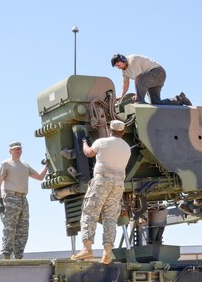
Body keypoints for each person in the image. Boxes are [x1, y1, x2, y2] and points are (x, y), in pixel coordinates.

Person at [71, 120, 131, 264]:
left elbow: (88, 153)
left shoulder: (102, 142)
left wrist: (84, 142)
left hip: (102, 181)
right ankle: (107, 252)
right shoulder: (127, 148)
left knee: (89, 212)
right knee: (110, 218)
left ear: (110, 130)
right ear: (122, 132)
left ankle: (87, 249)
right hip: (118, 184)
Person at [0, 141, 48, 259]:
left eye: (19, 149)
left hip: (23, 199)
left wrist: (47, 166)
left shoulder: (25, 165)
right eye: (15, 149)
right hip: (11, 198)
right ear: (10, 151)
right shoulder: (5, 164)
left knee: (23, 229)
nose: (18, 151)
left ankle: (18, 255)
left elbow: (39, 177)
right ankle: (6, 254)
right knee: (10, 227)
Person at [111, 53, 192, 106]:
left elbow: (138, 78)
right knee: (156, 104)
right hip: (151, 80)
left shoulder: (132, 61)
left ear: (123, 60)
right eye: (116, 66)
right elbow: (125, 84)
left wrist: (138, 96)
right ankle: (180, 99)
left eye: (118, 65)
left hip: (158, 73)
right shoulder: (124, 71)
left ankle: (140, 102)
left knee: (140, 83)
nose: (118, 67)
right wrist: (121, 97)